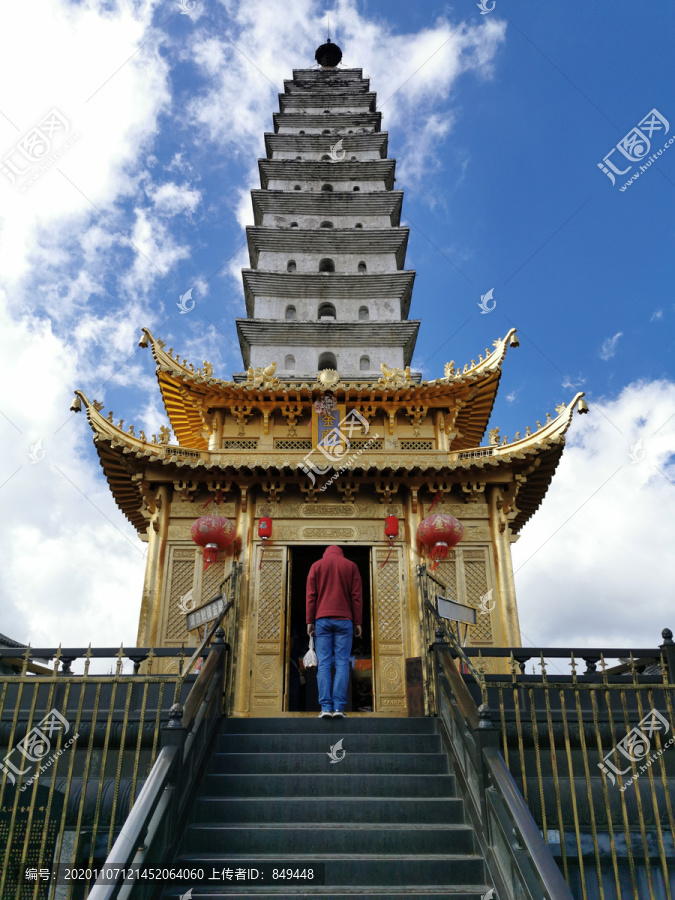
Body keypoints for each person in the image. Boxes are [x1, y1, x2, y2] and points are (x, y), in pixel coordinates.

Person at [306, 545, 363, 718]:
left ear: (325, 553)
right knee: (341, 663)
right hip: (345, 620)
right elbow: (356, 597)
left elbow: (311, 596)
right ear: (341, 553)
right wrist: (358, 622)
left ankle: (325, 708)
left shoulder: (316, 566)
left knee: (323, 664)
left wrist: (309, 620)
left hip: (322, 620)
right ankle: (338, 708)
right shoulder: (351, 566)